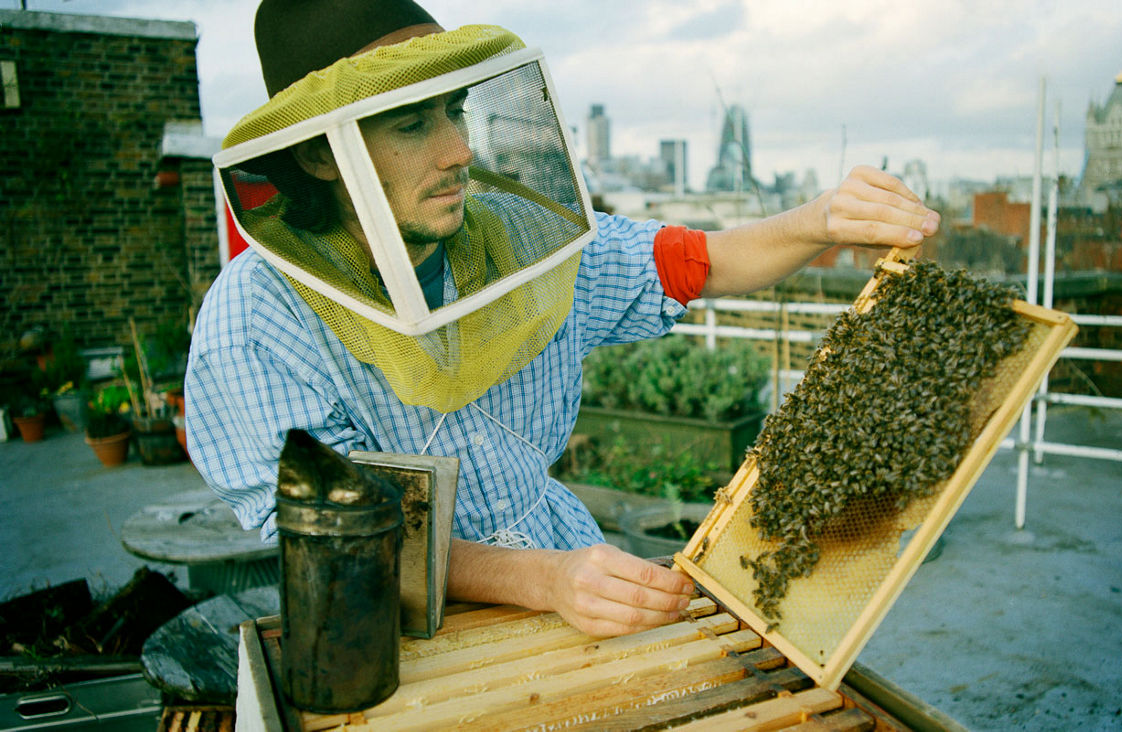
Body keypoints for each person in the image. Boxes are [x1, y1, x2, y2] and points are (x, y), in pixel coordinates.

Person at [187, 0, 940, 638]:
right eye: (413, 125)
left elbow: (690, 261)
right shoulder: (257, 319)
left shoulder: (516, 233)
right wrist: (543, 581)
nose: (460, 149)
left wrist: (821, 219)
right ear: (321, 155)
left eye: (454, 110)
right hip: (400, 631)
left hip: (570, 575)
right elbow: (339, 535)